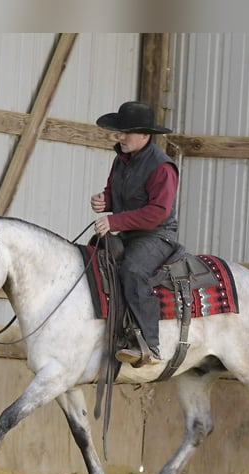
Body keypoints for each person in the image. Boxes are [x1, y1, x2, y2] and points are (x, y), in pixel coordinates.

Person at [91, 101, 179, 366]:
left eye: (126, 132)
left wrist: (115, 218)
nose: (120, 136)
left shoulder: (162, 167)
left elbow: (158, 212)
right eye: (120, 131)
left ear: (145, 134)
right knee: (92, 256)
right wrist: (104, 201)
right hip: (129, 233)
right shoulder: (121, 161)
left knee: (132, 271)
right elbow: (114, 192)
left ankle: (149, 345)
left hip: (157, 236)